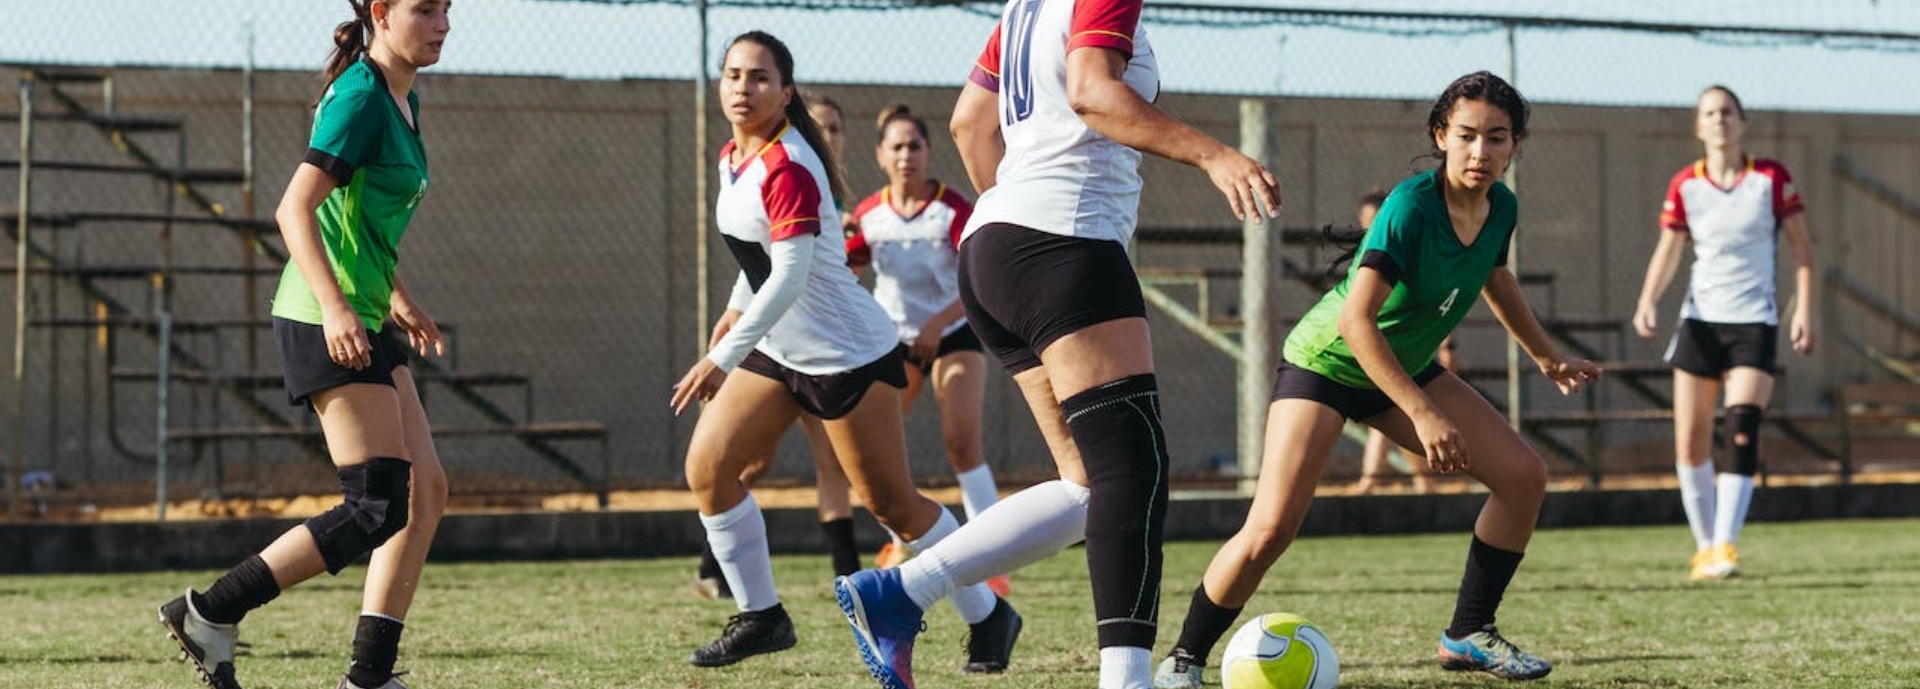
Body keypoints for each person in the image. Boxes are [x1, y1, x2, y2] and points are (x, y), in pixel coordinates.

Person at [832, 0, 1280, 686]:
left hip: (996, 247)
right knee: (1135, 472)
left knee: (1089, 483)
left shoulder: (1025, 9)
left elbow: (967, 122)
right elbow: (1092, 92)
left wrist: (1014, 212)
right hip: (1062, 244)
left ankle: (902, 591)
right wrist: (1214, 154)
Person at [1153, 71, 1602, 688]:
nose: (1481, 151)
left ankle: (1468, 634)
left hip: (1401, 364)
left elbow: (1496, 279)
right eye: (1467, 135)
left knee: (1523, 477)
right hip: (1327, 362)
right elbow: (1355, 321)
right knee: (1271, 528)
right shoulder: (1411, 206)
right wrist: (1421, 411)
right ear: (1441, 135)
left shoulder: (1503, 208)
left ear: (1515, 145)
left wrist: (1547, 357)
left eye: (1497, 138)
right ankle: (1183, 659)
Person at [672, 31, 1017, 673]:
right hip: (779, 351)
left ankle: (990, 614)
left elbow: (792, 274)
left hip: (848, 357)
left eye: (759, 78)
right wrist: (732, 313)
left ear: (786, 90)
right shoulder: (732, 157)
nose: (743, 89)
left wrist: (721, 356)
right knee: (709, 472)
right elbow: (760, 262)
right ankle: (761, 616)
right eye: (733, 75)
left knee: (894, 505)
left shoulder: (791, 165)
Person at [156, 3, 452, 689]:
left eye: (447, 8)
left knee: (426, 488)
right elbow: (294, 208)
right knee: (374, 504)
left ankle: (371, 674)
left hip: (364, 311)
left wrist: (396, 294)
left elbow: (359, 219)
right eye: (424, 8)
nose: (441, 22)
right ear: (380, 12)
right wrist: (336, 306)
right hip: (325, 316)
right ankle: (212, 610)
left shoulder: (401, 98)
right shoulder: (360, 96)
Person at [1632, 84, 1816, 582]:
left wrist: (1804, 309)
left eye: (1728, 112)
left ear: (1742, 120)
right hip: (1700, 323)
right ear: (1699, 125)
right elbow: (1669, 250)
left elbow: (1803, 253)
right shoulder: (1685, 186)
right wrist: (1648, 300)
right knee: (1690, 442)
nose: (1720, 120)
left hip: (1755, 321)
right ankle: (1704, 546)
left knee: (1741, 427)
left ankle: (1725, 546)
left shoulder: (1771, 178)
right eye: (1710, 113)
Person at [689, 91, 865, 602]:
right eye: (822, 127)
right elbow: (769, 267)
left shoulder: (823, 190)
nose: (827, 137)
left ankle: (850, 576)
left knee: (849, 472)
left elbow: (805, 274)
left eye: (836, 130)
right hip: (776, 345)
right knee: (733, 461)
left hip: (828, 350)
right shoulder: (775, 171)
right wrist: (734, 315)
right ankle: (721, 575)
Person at [847, 103, 1009, 596]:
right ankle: (901, 541)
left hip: (954, 332)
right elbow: (849, 272)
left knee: (961, 440)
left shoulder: (952, 208)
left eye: (914, 146)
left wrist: (940, 323)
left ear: (928, 151)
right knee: (879, 450)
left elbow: (978, 276)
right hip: (892, 340)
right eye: (895, 147)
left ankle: (991, 557)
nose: (905, 156)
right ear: (879, 155)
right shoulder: (867, 215)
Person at [1349, 189, 1443, 495]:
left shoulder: (1410, 249)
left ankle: (1381, 481)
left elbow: (1433, 301)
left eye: (1374, 220)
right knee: (1390, 420)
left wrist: (1448, 348)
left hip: (1407, 354)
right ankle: (1407, 481)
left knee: (1398, 417)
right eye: (1365, 221)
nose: (1370, 227)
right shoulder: (1368, 255)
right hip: (1371, 354)